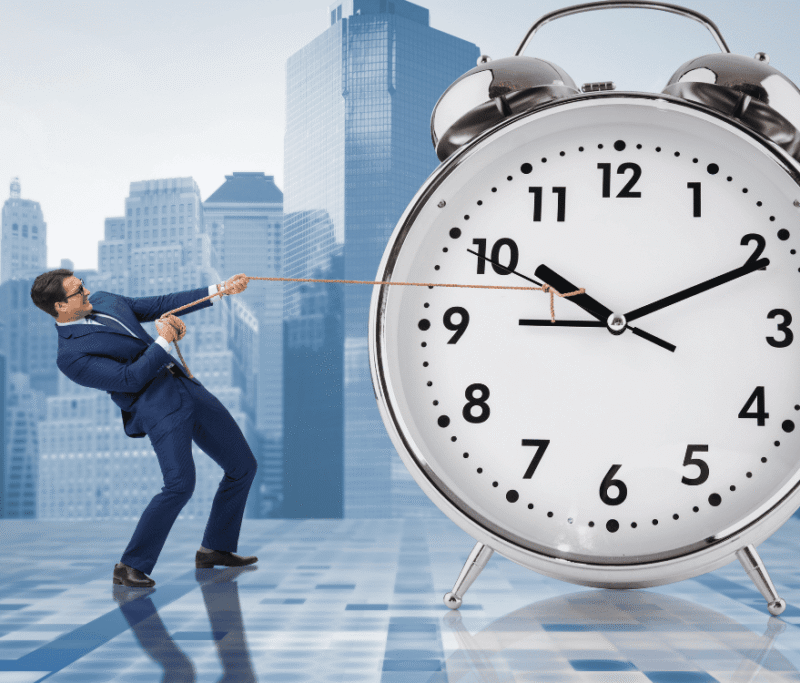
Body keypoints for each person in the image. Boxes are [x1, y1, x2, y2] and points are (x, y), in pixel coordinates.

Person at [30, 269, 259, 587]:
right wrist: (164, 339)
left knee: (243, 465)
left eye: (83, 285)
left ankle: (215, 549)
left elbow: (161, 304)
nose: (87, 292)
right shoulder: (70, 356)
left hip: (186, 386)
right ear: (60, 307)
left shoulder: (105, 300)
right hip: (157, 407)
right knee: (180, 484)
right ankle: (129, 565)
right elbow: (130, 379)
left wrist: (220, 289)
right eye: (78, 291)